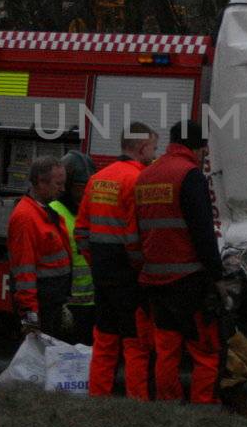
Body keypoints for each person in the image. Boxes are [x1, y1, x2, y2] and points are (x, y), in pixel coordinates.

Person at [134, 120, 223, 404]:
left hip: (155, 282)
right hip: (190, 281)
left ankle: (167, 406)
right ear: (196, 148)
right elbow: (203, 232)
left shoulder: (146, 175)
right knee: (205, 352)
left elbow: (137, 230)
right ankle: (202, 408)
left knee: (166, 351)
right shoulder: (189, 174)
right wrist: (217, 275)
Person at [79, 122, 159, 398]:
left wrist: (95, 262)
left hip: (102, 269)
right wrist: (141, 269)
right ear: (141, 147)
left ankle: (98, 396)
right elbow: (134, 236)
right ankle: (137, 402)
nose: (155, 153)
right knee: (136, 342)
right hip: (128, 273)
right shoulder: (138, 180)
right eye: (153, 147)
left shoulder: (97, 178)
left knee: (104, 339)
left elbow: (81, 231)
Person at [7, 155, 73, 337]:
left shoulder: (46, 211)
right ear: (41, 183)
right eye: (58, 184)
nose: (63, 189)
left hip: (51, 302)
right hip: (41, 304)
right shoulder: (26, 218)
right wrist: (30, 315)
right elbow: (24, 271)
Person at [50, 150, 96, 342]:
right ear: (68, 187)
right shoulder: (54, 212)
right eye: (79, 188)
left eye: (87, 188)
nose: (84, 193)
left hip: (91, 303)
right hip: (65, 303)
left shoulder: (92, 212)